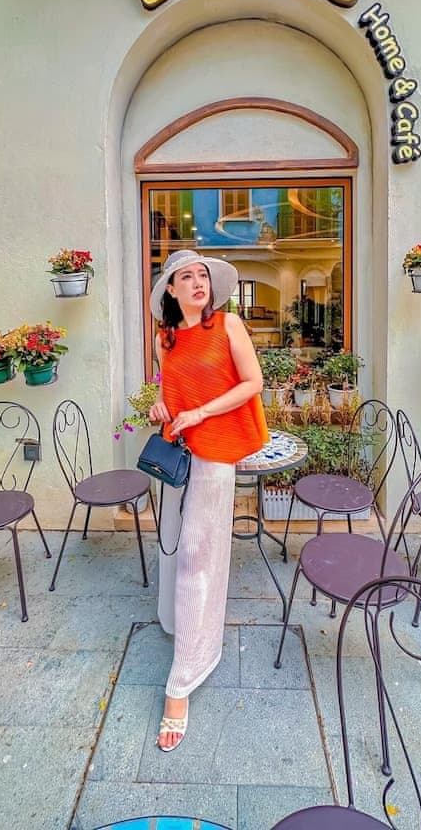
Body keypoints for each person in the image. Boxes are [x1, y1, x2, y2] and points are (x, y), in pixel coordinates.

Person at [147, 249, 269, 752]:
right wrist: (162, 407)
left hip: (216, 451)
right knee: (177, 547)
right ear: (171, 291)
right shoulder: (166, 339)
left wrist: (200, 413)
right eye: (186, 277)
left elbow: (253, 383)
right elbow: (170, 393)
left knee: (199, 557)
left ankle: (183, 680)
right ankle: (180, 624)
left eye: (203, 275)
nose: (198, 282)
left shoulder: (228, 325)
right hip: (178, 452)